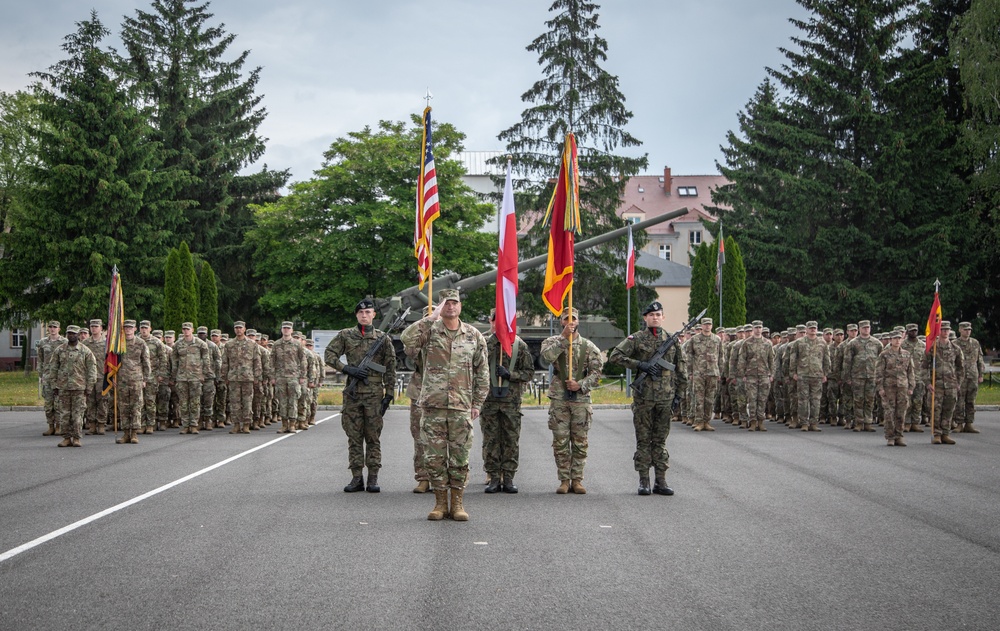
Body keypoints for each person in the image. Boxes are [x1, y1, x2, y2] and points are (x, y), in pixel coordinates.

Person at [401, 289, 488, 521]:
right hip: (433, 405)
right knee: (434, 457)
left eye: (454, 303)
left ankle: (457, 503)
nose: (451, 307)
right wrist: (431, 317)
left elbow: (482, 372)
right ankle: (440, 503)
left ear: (460, 307)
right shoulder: (430, 332)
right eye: (446, 304)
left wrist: (477, 402)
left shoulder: (473, 335)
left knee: (459, 457)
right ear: (441, 307)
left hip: (461, 406)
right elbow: (406, 339)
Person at [609, 301, 686, 496]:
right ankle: (644, 480)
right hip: (644, 398)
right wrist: (640, 365)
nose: (655, 317)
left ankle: (661, 481)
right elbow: (615, 356)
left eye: (659, 314)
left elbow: (681, 369)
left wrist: (679, 396)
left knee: (660, 441)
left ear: (663, 317)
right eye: (651, 315)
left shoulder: (672, 339)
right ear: (645, 318)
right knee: (643, 441)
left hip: (666, 398)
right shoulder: (636, 338)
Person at [325, 299, 398, 493]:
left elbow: (390, 367)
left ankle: (373, 478)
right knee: (354, 437)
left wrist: (389, 395)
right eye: (361, 313)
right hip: (353, 394)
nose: (364, 315)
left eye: (368, 312)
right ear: (356, 315)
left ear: (374, 315)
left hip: (374, 395)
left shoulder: (383, 338)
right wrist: (347, 369)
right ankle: (356, 478)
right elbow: (329, 355)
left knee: (373, 437)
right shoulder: (346, 335)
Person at [540, 307, 603, 494]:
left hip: (580, 398)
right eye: (566, 319)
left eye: (573, 319)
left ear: (578, 321)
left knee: (580, 441)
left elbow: (597, 372)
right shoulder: (552, 342)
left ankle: (577, 479)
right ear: (561, 321)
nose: (570, 322)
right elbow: (546, 358)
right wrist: (563, 339)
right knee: (560, 441)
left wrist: (581, 384)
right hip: (559, 397)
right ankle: (564, 479)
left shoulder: (589, 347)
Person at [481, 308, 535, 494]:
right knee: (491, 441)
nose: (501, 324)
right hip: (488, 401)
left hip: (511, 403)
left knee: (511, 440)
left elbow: (528, 373)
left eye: (505, 321)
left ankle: (509, 478)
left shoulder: (518, 345)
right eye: (497, 320)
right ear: (491, 321)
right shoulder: (483, 344)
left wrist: (510, 374)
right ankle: (494, 478)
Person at [47, 325, 98, 447]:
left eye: (74, 333)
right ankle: (66, 438)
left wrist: (89, 387)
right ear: (66, 334)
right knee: (64, 414)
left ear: (78, 335)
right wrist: (54, 385)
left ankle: (76, 437)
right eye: (69, 333)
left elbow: (92, 370)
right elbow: (53, 368)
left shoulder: (85, 351)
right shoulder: (59, 350)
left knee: (77, 415)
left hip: (79, 388)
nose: (71, 335)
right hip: (63, 387)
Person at [924, 321, 964, 445]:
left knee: (949, 410)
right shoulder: (932, 347)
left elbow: (961, 367)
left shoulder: (955, 348)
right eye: (942, 329)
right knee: (936, 410)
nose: (945, 332)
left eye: (947, 330)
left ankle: (945, 434)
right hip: (937, 385)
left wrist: (958, 382)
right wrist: (927, 382)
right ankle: (937, 434)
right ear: (938, 331)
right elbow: (924, 366)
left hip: (951, 385)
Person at [789, 321, 830, 432]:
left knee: (816, 400)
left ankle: (813, 423)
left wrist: (825, 373)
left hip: (817, 375)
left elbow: (826, 359)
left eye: (814, 328)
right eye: (810, 328)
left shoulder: (822, 343)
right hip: (803, 375)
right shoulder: (799, 343)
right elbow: (793, 359)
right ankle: (804, 423)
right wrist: (793, 372)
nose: (812, 330)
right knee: (803, 400)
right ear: (806, 330)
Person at [221, 321, 262, 434]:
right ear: (234, 330)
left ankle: (246, 424)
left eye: (240, 328)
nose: (238, 330)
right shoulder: (229, 344)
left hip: (247, 378)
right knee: (234, 402)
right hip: (234, 377)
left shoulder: (252, 344)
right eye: (236, 328)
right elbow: (225, 362)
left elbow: (257, 361)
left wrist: (257, 376)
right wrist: (224, 376)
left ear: (244, 329)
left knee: (247, 401)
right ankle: (236, 424)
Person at [875, 331, 914, 447]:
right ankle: (890, 437)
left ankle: (899, 436)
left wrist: (911, 386)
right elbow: (879, 372)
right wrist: (880, 387)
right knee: (889, 413)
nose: (897, 340)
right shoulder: (884, 355)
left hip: (902, 387)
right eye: (895, 338)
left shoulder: (907, 354)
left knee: (901, 412)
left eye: (899, 338)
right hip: (888, 388)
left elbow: (911, 372)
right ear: (891, 340)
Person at [115, 320, 151, 444]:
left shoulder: (141, 343)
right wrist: (113, 378)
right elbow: (113, 363)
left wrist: (145, 379)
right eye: (126, 328)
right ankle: (125, 433)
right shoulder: (118, 344)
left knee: (136, 407)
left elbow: (146, 362)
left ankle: (135, 433)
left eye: (130, 328)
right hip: (122, 379)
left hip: (136, 379)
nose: (128, 330)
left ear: (135, 329)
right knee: (124, 407)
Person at [169, 322, 209, 434]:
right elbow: (174, 361)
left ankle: (194, 425)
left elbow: (206, 360)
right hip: (182, 377)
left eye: (188, 329)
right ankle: (186, 425)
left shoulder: (200, 344)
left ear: (192, 330)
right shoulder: (177, 345)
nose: (186, 331)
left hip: (195, 377)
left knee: (195, 402)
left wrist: (204, 374)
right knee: (183, 402)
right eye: (184, 329)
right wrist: (174, 376)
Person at [843, 320, 882, 432]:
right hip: (857, 376)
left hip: (872, 376)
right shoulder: (853, 343)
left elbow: (881, 361)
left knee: (870, 400)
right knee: (858, 400)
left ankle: (868, 422)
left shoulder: (877, 343)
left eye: (868, 327)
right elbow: (847, 362)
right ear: (859, 329)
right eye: (864, 328)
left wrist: (880, 377)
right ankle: (859, 422)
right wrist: (847, 377)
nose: (866, 329)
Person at [736, 320, 774, 432]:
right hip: (751, 376)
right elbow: (742, 360)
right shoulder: (747, 343)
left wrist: (771, 374)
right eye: (756, 327)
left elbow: (771, 360)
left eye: (760, 327)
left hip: (763, 375)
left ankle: (761, 422)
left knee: (762, 400)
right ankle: (752, 421)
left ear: (762, 329)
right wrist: (742, 374)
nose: (758, 329)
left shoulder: (767, 343)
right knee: (752, 400)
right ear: (753, 329)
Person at [271, 321, 307, 434]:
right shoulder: (276, 344)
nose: (286, 330)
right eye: (284, 328)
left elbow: (303, 360)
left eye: (288, 328)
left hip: (293, 377)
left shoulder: (297, 344)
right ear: (281, 330)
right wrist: (272, 376)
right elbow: (271, 361)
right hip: (280, 377)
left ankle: (292, 424)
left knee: (293, 401)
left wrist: (302, 375)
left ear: (291, 330)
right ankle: (284, 424)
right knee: (282, 401)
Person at [688, 317, 722, 432]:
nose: (707, 326)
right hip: (699, 373)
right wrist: (690, 372)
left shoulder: (717, 339)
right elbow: (689, 356)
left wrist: (719, 372)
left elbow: (721, 356)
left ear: (712, 326)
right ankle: (698, 422)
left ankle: (707, 421)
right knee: (699, 398)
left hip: (712, 372)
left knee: (710, 399)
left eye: (709, 324)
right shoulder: (694, 339)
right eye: (705, 324)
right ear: (701, 326)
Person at [953, 322, 986, 433]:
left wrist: (981, 374)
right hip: (959, 377)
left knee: (971, 401)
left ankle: (969, 423)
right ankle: (959, 423)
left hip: (972, 375)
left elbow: (980, 360)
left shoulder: (975, 343)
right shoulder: (954, 343)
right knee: (959, 401)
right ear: (960, 330)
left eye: (969, 329)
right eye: (965, 329)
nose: (967, 331)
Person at [36, 320, 67, 437]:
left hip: (60, 377)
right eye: (50, 327)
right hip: (47, 376)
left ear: (59, 329)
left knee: (59, 403)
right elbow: (40, 359)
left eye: (55, 327)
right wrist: (41, 374)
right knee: (48, 403)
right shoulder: (43, 342)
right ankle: (50, 426)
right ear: (48, 329)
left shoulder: (64, 342)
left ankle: (59, 426)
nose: (52, 329)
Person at [82, 318, 109, 435]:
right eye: (92, 327)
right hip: (89, 377)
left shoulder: (107, 343)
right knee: (90, 402)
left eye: (96, 326)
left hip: (103, 376)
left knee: (102, 401)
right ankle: (92, 424)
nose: (94, 329)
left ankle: (102, 424)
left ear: (101, 328)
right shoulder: (85, 343)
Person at [196, 326, 222, 431]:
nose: (201, 335)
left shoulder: (212, 346)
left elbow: (218, 360)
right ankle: (199, 420)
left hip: (209, 377)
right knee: (197, 400)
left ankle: (208, 421)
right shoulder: (194, 344)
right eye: (200, 333)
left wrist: (217, 376)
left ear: (207, 334)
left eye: (203, 333)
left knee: (208, 400)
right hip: (196, 377)